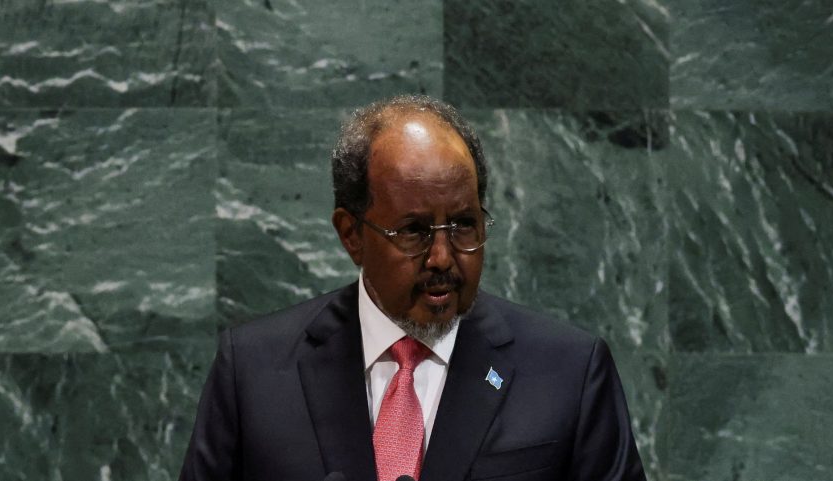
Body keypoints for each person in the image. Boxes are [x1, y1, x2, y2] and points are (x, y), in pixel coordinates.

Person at [180, 95, 646, 481]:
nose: (443, 257)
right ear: (351, 234)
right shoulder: (254, 371)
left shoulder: (569, 372)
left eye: (464, 224)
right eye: (413, 231)